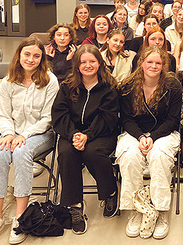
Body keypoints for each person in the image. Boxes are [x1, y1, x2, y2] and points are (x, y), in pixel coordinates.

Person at [0, 37, 59, 245]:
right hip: (11, 133)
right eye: (27, 54)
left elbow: (48, 118)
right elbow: (3, 114)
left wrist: (25, 135)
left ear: (42, 59)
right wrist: (8, 134)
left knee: (22, 152)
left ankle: (20, 218)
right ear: (19, 55)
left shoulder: (50, 81)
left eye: (36, 56)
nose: (31, 59)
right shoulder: (8, 81)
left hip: (41, 134)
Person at [51, 45, 120, 234]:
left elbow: (108, 117)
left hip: (101, 132)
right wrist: (74, 134)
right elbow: (59, 115)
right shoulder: (67, 86)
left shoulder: (109, 87)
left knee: (93, 152)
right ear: (77, 64)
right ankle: (75, 206)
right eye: (83, 62)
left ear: (99, 63)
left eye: (92, 61)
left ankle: (110, 192)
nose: (87, 65)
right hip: (71, 132)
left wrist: (87, 135)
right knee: (66, 153)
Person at [117, 46, 182, 239]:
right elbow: (126, 119)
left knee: (159, 156)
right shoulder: (128, 86)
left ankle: (161, 211)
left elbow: (173, 120)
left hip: (164, 133)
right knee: (129, 157)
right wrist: (140, 137)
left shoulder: (173, 85)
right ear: (141, 63)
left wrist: (152, 137)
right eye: (150, 62)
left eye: (158, 63)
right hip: (134, 132)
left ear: (164, 65)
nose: (154, 66)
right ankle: (137, 209)